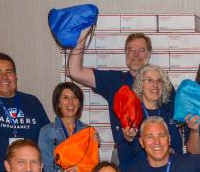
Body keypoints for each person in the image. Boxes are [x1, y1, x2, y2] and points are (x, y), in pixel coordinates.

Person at [65, 30, 192, 161]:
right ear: (125, 53)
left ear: (148, 54)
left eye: (141, 50)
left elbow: (177, 122)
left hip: (162, 156)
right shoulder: (115, 81)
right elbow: (74, 71)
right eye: (131, 50)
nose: (136, 54)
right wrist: (82, 34)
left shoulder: (162, 85)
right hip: (127, 157)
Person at [37, 81, 95, 172]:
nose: (71, 102)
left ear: (79, 103)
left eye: (75, 97)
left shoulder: (88, 132)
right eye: (65, 97)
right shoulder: (46, 131)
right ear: (58, 103)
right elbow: (44, 168)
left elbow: (94, 166)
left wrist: (94, 142)